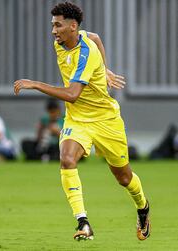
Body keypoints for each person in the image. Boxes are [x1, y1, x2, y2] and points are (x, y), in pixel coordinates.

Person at [14, 2, 150, 241]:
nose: (53, 31)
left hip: (106, 120)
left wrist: (35, 84)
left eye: (57, 25)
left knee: (124, 178)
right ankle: (83, 222)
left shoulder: (85, 53)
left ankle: (143, 208)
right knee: (67, 159)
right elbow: (96, 36)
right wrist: (106, 70)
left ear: (72, 26)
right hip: (77, 120)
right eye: (52, 25)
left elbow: (72, 94)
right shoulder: (65, 41)